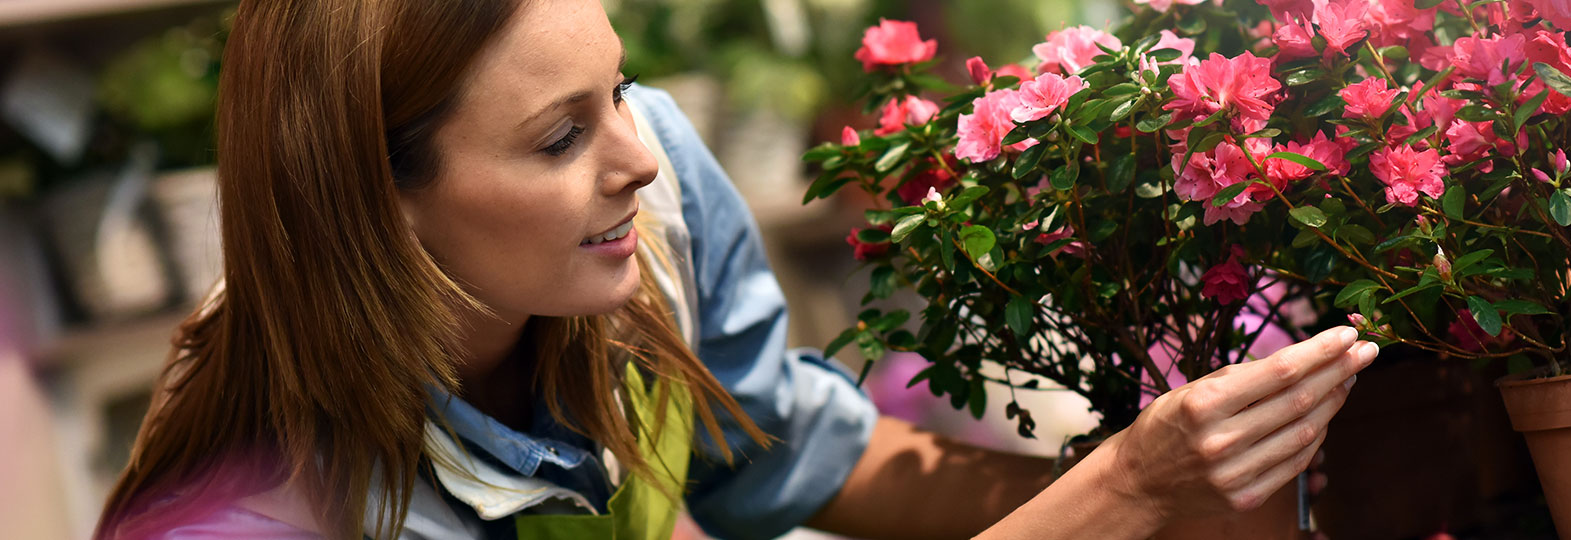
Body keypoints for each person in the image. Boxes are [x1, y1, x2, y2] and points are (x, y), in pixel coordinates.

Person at [94, 0, 1376, 538]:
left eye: (618, 87)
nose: (639, 158)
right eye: (559, 136)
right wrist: (1125, 497)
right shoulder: (253, 516)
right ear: (375, 206)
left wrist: (1169, 480)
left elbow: (788, 453)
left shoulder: (638, 232)